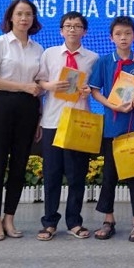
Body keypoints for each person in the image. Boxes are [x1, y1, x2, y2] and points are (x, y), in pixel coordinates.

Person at [0, 0, 44, 241]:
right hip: (1, 105)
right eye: (19, 14)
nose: (24, 18)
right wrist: (22, 87)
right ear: (10, 18)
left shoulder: (37, 49)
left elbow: (38, 86)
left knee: (19, 167)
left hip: (28, 109)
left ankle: (9, 217)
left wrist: (38, 117)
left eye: (28, 14)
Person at [89, 16, 134, 242]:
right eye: (118, 34)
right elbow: (95, 90)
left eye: (127, 33)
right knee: (110, 175)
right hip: (112, 127)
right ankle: (109, 219)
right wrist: (111, 104)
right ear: (111, 37)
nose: (123, 37)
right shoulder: (105, 62)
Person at [36, 12, 98, 241]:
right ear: (61, 31)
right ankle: (49, 222)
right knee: (51, 175)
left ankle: (74, 221)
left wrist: (88, 90)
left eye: (77, 26)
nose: (72, 30)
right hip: (53, 120)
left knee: (76, 176)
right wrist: (50, 85)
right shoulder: (49, 54)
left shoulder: (93, 58)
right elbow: (39, 82)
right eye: (68, 26)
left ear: (85, 31)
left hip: (79, 121)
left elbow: (96, 87)